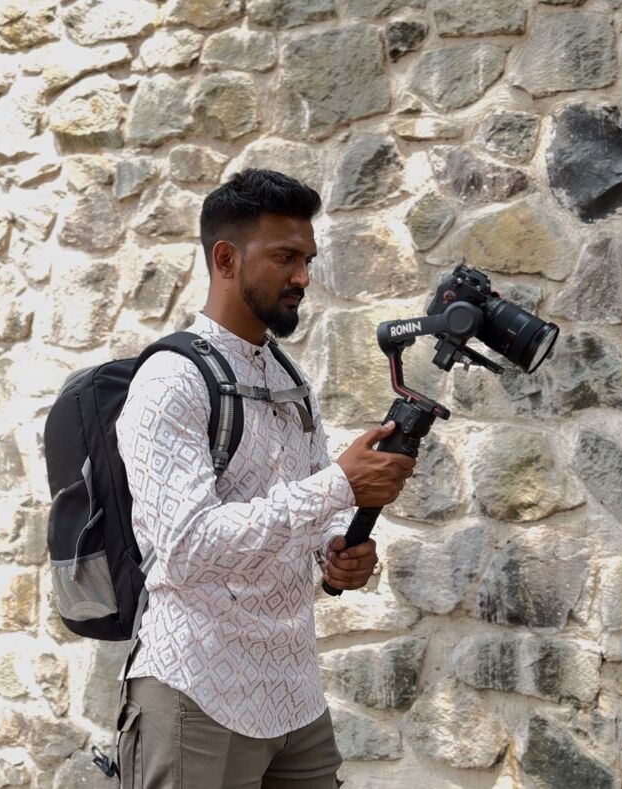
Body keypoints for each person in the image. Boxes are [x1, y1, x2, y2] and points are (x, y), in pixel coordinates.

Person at [115, 168, 416, 788]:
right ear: (226, 259)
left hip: (293, 693)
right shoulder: (169, 381)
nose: (303, 276)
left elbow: (311, 502)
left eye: (307, 259)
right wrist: (339, 485)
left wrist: (339, 550)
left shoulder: (287, 376)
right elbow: (188, 547)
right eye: (285, 257)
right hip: (197, 690)